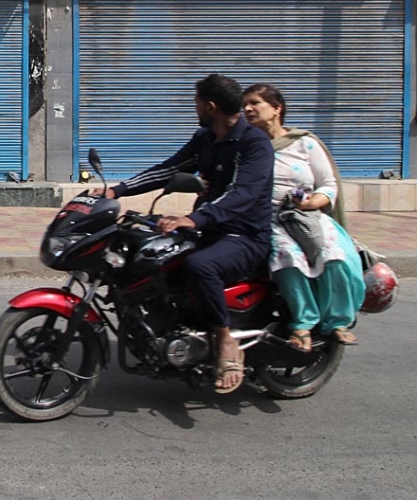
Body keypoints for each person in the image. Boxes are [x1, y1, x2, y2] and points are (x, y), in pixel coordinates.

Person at [101, 74, 274, 394]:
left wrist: (194, 218)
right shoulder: (206, 137)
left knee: (200, 266)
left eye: (196, 103)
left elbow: (242, 195)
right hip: (208, 228)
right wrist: (118, 189)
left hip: (245, 235)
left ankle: (225, 342)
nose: (193, 108)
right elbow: (171, 169)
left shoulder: (254, 143)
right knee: (147, 255)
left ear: (210, 106)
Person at [242, 83, 365, 351]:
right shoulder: (246, 144)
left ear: (276, 108)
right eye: (244, 106)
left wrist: (311, 203)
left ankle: (337, 322)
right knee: (287, 258)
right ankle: (302, 323)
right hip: (269, 219)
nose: (247, 109)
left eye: (254, 103)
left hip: (306, 217)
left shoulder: (304, 143)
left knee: (333, 256)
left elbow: (328, 185)